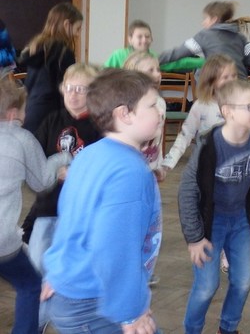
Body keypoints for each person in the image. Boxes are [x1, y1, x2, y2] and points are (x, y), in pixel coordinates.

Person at [42, 69, 162, 333]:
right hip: (94, 300)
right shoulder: (130, 172)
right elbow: (116, 248)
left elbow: (70, 218)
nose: (160, 113)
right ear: (124, 114)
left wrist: (58, 274)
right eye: (152, 105)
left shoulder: (89, 154)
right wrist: (130, 312)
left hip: (72, 290)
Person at [178, 79, 250, 334]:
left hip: (240, 220)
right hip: (211, 223)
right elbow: (187, 191)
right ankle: (192, 330)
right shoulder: (209, 147)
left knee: (243, 281)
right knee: (207, 286)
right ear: (228, 112)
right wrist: (194, 237)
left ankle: (228, 327)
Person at [0, 77, 71, 334]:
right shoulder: (22, 138)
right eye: (23, 110)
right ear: (12, 114)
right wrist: (62, 158)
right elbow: (41, 181)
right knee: (30, 285)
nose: (25, 115)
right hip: (2, 242)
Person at [22, 63, 101, 277]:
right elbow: (34, 153)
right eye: (69, 88)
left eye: (80, 89)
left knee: (74, 266)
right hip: (47, 207)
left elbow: (101, 166)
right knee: (38, 264)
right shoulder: (52, 120)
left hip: (82, 211)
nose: (72, 95)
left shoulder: (99, 126)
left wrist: (75, 173)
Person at [163, 54, 250, 172]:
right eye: (225, 77)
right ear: (211, 81)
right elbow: (185, 135)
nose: (231, 80)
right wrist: (169, 161)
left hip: (233, 167)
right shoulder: (201, 106)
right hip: (206, 167)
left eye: (234, 75)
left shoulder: (241, 104)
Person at [17, 2, 83, 132]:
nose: (78, 34)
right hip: (51, 115)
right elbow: (65, 88)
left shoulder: (36, 47)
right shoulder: (64, 53)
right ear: (66, 25)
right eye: (78, 28)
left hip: (30, 110)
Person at [159, 1, 250, 80]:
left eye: (205, 18)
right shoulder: (240, 37)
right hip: (240, 85)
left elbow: (178, 53)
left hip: (217, 86)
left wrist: (154, 60)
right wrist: (238, 60)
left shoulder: (204, 35)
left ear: (214, 19)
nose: (203, 23)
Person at [123, 51, 168, 182]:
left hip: (151, 168)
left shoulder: (160, 102)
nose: (158, 74)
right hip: (130, 169)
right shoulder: (127, 105)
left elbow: (159, 138)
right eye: (151, 70)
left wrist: (159, 165)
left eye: (158, 70)